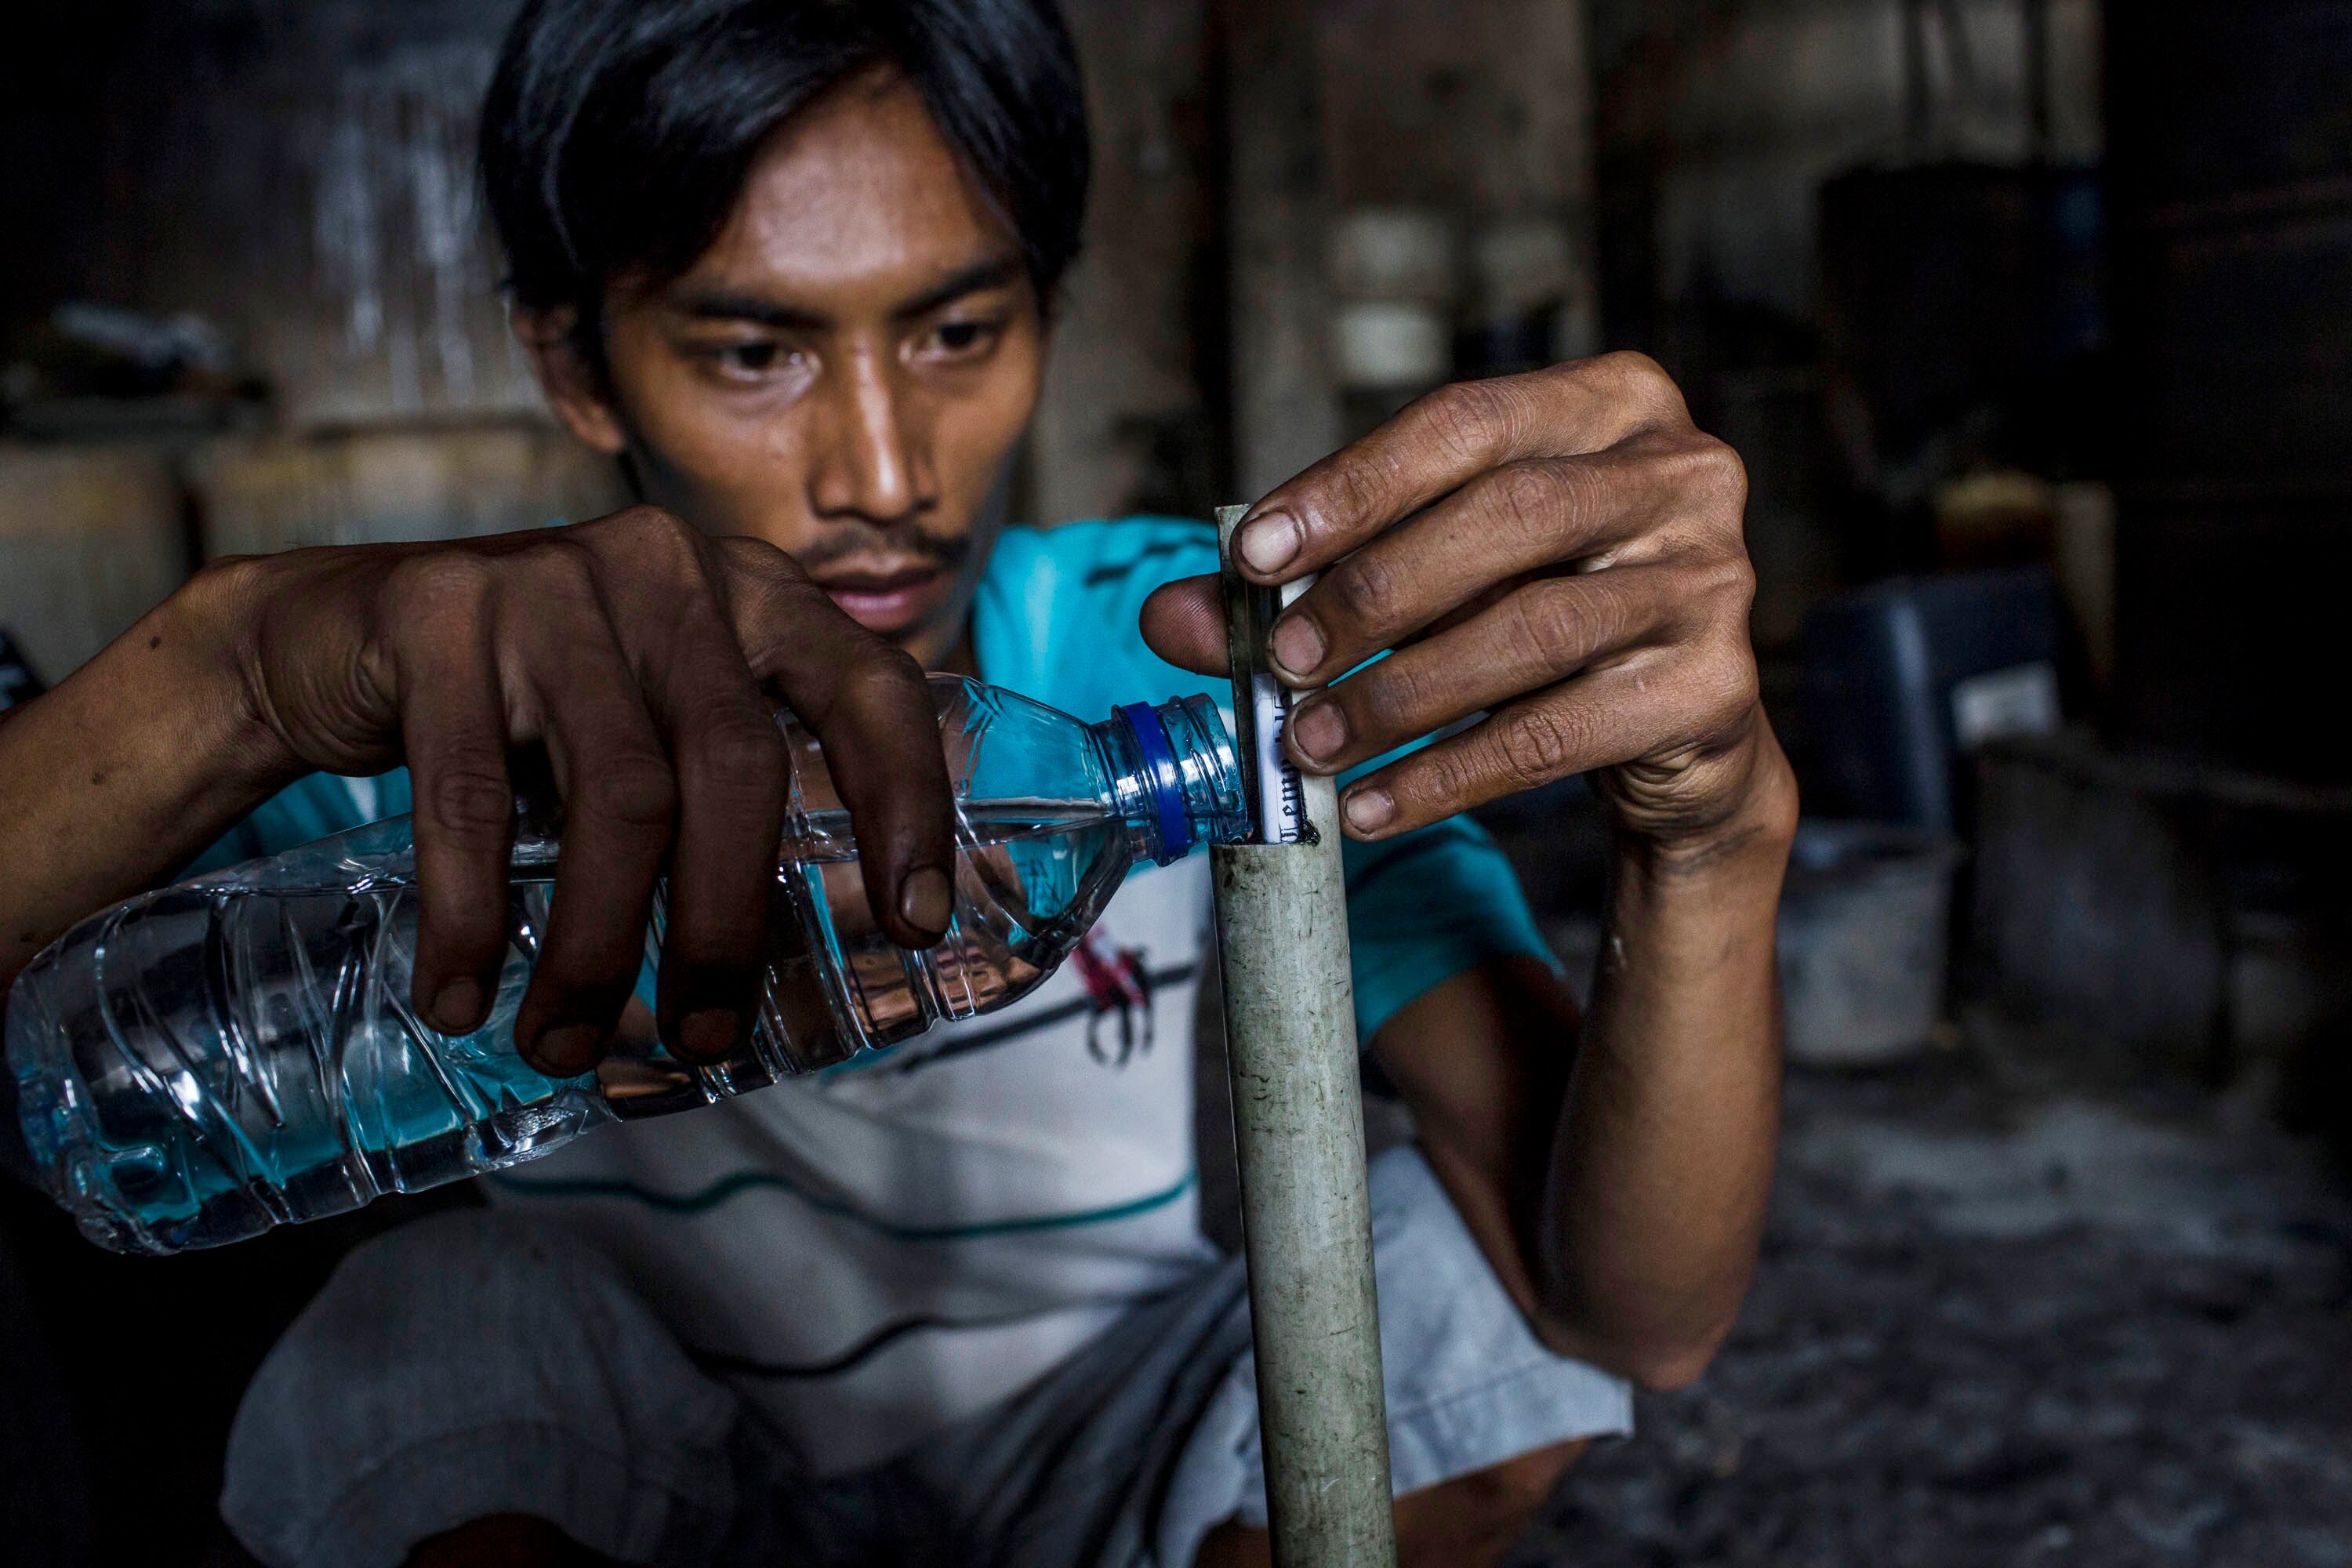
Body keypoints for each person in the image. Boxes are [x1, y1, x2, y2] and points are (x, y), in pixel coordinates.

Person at [0, 1, 1795, 1563]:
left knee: (1456, 1292)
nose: (883, 468)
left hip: (1105, 1463)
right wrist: (244, 666)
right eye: (755, 351)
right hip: (657, 1477)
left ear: (1046, 307)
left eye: (954, 331)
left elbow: (1624, 1311)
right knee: (432, 1326)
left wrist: (1713, 839)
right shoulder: (463, 715)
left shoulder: (1169, 641)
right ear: (574, 360)